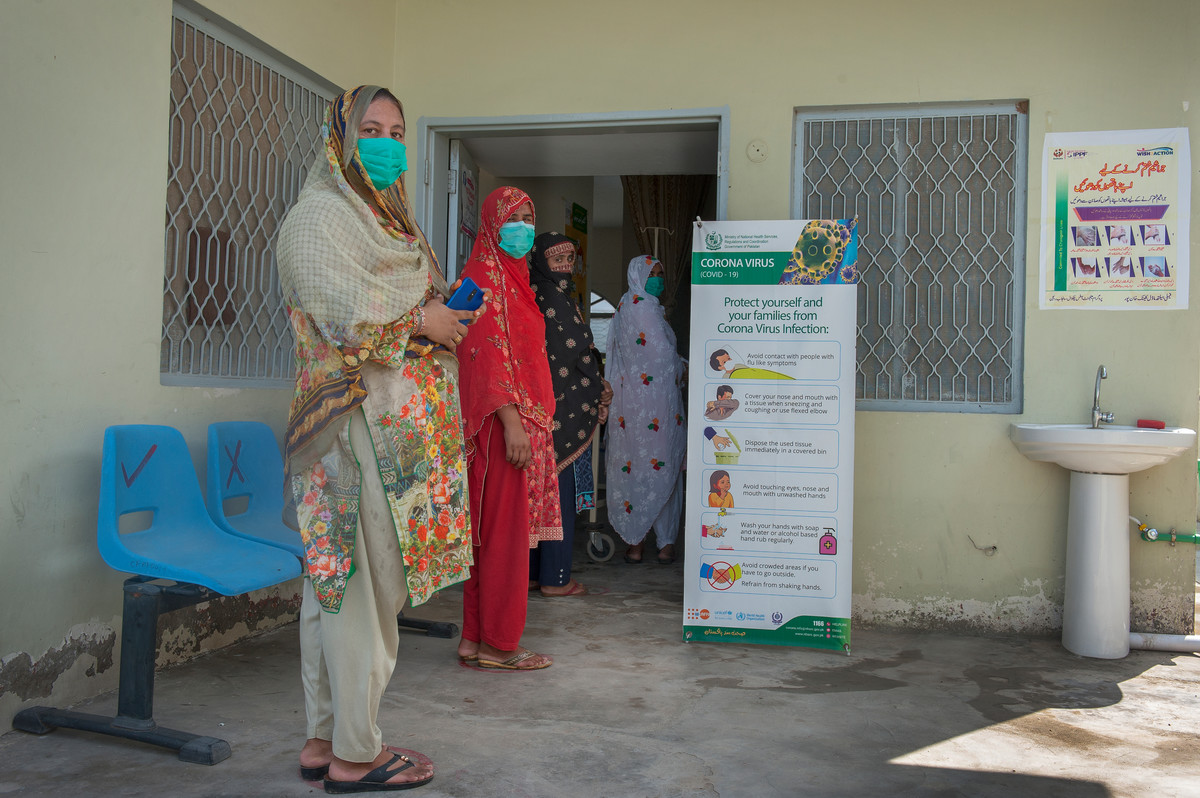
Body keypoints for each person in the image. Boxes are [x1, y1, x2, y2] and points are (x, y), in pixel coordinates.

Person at [277, 85, 478, 791]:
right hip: (351, 430)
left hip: (391, 425)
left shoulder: (389, 219)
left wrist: (444, 314)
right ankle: (357, 756)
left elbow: (415, 300)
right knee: (358, 589)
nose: (387, 141)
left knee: (331, 588)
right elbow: (341, 315)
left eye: (396, 130)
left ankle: (323, 738)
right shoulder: (319, 218)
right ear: (341, 137)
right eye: (371, 127)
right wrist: (422, 322)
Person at [456, 187, 561, 669]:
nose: (524, 228)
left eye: (529, 217)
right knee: (505, 541)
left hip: (517, 424)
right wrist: (512, 424)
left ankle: (475, 639)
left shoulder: (515, 279)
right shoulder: (481, 278)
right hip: (503, 428)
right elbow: (482, 353)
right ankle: (501, 646)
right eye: (514, 218)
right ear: (493, 224)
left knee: (490, 536)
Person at [527, 232, 613, 597]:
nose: (564, 267)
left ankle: (533, 573)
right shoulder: (550, 299)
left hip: (545, 410)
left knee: (538, 494)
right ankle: (555, 578)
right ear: (542, 263)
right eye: (556, 261)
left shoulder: (548, 294)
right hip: (558, 411)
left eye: (569, 260)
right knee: (557, 494)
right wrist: (597, 388)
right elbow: (571, 354)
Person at [605, 255, 687, 565]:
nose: (658, 279)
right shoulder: (640, 307)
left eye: (661, 273)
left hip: (636, 408)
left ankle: (638, 542)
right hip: (651, 408)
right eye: (652, 273)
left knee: (639, 469)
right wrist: (683, 368)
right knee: (660, 466)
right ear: (638, 275)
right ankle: (660, 543)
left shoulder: (635, 306)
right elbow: (662, 357)